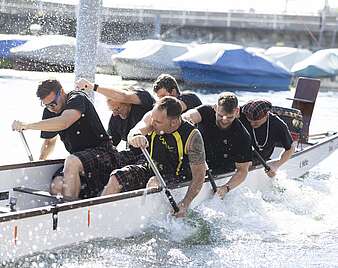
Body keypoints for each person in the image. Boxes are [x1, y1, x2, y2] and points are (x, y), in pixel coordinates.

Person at [11, 79, 128, 199]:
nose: (51, 108)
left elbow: (64, 122)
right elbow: (49, 142)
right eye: (46, 105)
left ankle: (70, 213)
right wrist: (38, 163)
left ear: (61, 92)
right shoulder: (50, 110)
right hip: (79, 158)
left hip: (104, 153)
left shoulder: (77, 98)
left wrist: (27, 126)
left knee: (71, 161)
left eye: (53, 103)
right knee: (57, 185)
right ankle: (63, 211)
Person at [101, 96, 207, 218]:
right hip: (150, 167)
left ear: (173, 122)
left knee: (153, 182)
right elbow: (134, 132)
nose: (153, 123)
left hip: (177, 176)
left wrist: (185, 203)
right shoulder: (153, 118)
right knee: (116, 177)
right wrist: (136, 136)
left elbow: (199, 176)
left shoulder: (192, 136)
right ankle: (100, 215)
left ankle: (144, 219)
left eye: (158, 122)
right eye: (153, 119)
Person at [182, 92, 252, 199]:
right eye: (220, 115)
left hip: (220, 169)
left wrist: (226, 188)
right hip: (197, 161)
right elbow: (186, 116)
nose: (224, 120)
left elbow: (242, 171)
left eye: (229, 117)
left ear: (237, 111)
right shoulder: (206, 111)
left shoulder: (242, 135)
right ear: (215, 108)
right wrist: (188, 123)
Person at [75, 78, 155, 148]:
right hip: (133, 154)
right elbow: (109, 144)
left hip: (153, 149)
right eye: (112, 110)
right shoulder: (115, 118)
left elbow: (124, 96)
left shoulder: (144, 99)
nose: (115, 114)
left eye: (117, 109)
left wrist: (92, 86)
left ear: (128, 103)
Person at [240, 99, 295, 178]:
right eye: (249, 121)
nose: (252, 124)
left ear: (266, 115)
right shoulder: (242, 113)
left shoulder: (278, 125)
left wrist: (276, 165)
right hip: (239, 155)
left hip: (261, 159)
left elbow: (290, 148)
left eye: (256, 122)